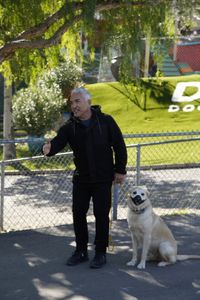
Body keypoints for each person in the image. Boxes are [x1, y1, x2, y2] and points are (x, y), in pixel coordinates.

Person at [42, 87, 127, 269]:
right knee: (78, 214)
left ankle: (100, 252)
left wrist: (120, 170)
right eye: (72, 102)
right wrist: (47, 149)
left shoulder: (105, 122)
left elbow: (119, 146)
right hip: (82, 179)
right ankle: (80, 250)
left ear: (88, 102)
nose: (74, 106)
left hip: (103, 178)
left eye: (77, 101)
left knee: (101, 215)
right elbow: (57, 143)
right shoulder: (69, 127)